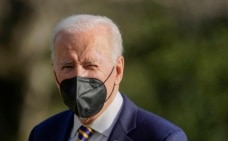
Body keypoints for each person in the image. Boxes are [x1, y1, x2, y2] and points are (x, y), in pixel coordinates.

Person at [29, 14, 187, 141]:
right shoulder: (42, 134)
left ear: (118, 70)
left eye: (91, 66)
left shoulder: (162, 137)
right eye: (67, 66)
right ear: (54, 71)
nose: (79, 76)